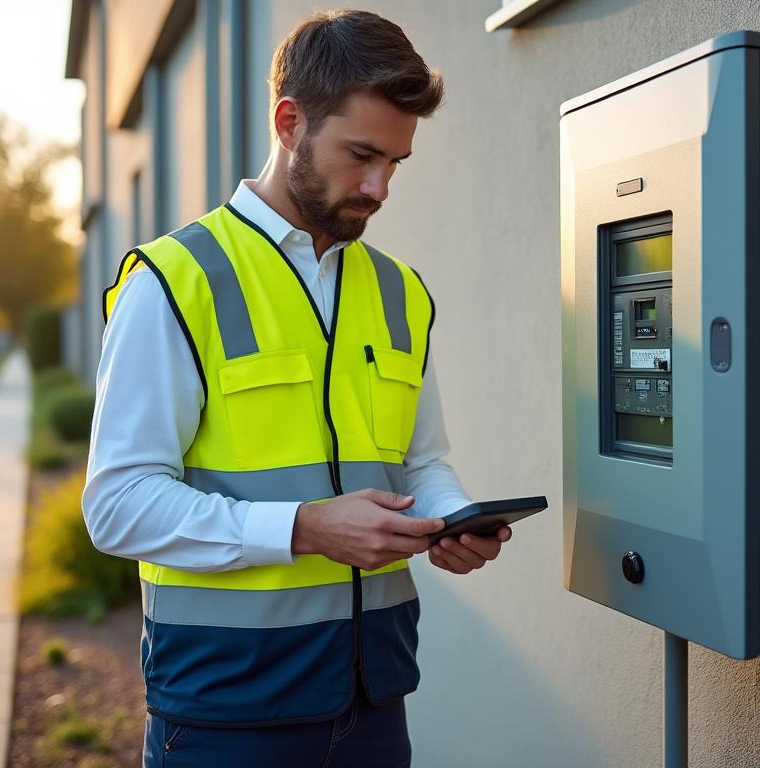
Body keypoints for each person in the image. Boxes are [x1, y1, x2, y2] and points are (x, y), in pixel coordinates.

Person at [82, 10, 508, 766]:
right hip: (226, 715)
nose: (379, 188)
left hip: (374, 700)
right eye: (362, 155)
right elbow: (117, 507)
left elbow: (421, 459)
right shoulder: (176, 282)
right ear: (289, 122)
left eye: (396, 164)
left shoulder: (399, 290)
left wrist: (452, 518)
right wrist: (305, 529)